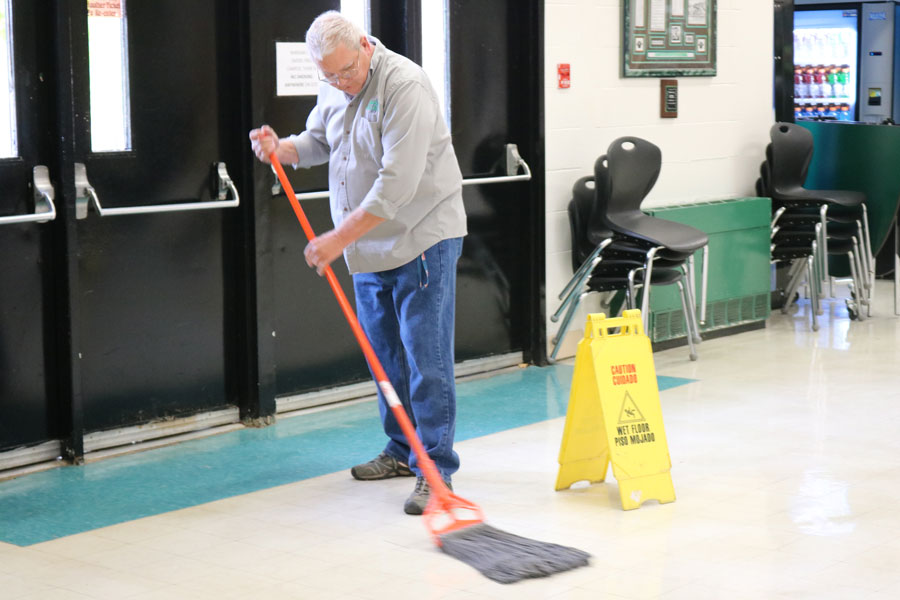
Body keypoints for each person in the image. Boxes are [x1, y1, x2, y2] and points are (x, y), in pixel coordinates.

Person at [249, 11, 467, 515]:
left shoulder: (405, 86)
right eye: (328, 76)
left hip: (420, 239)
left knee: (425, 360)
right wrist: (280, 149)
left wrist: (334, 239)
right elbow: (319, 140)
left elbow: (397, 184)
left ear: (366, 46)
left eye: (346, 72)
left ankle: (436, 470)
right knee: (385, 357)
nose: (339, 83)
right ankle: (400, 450)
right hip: (368, 247)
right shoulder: (335, 85)